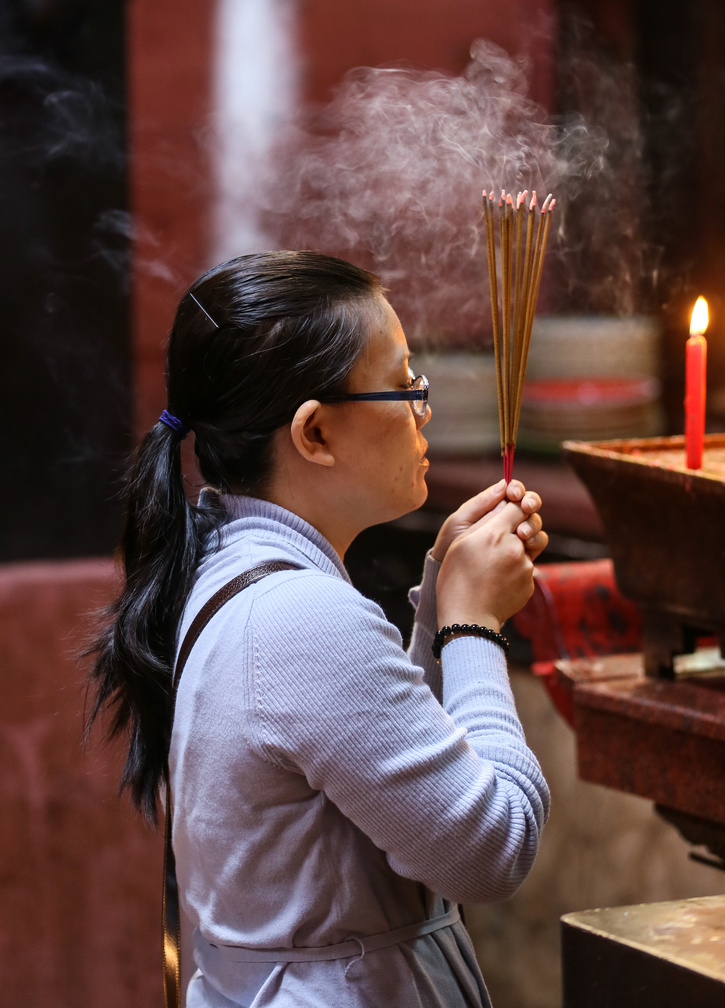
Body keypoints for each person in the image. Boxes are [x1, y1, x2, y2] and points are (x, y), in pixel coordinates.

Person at [87, 250, 550, 1008]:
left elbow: (383, 769)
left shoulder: (233, 573)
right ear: (315, 434)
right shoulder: (297, 620)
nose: (422, 406)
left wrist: (436, 605)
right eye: (402, 385)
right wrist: (475, 628)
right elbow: (488, 851)